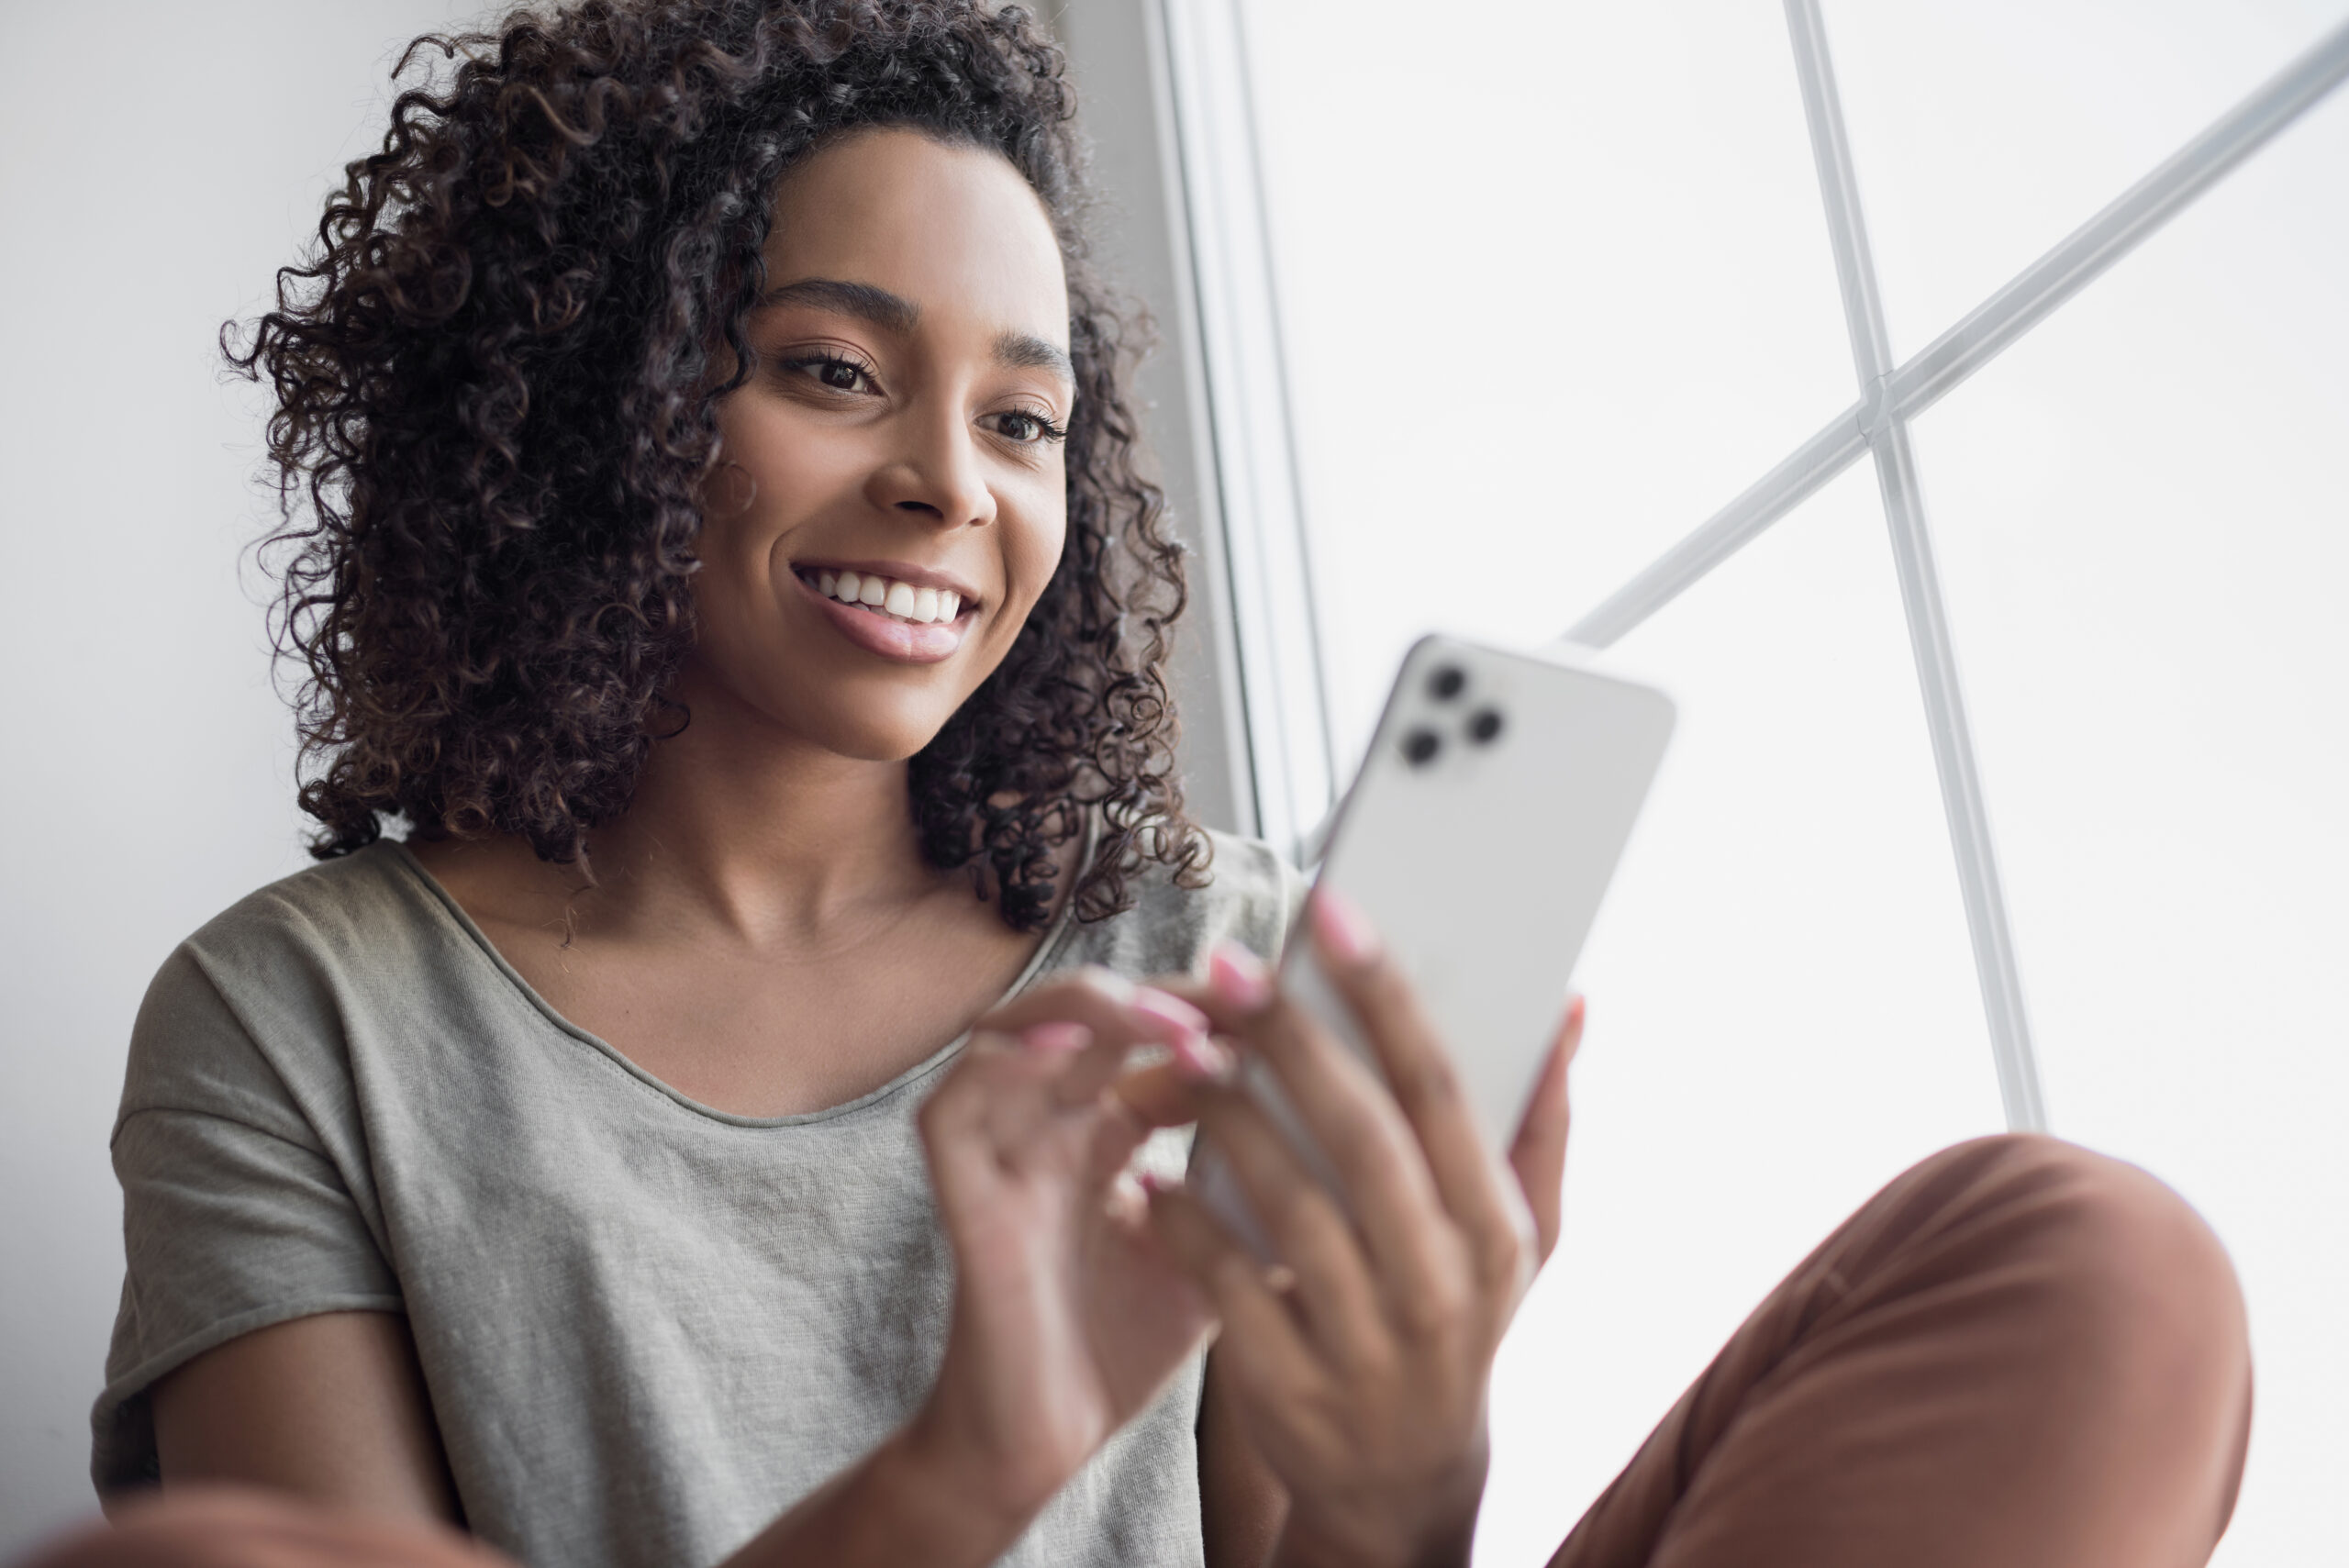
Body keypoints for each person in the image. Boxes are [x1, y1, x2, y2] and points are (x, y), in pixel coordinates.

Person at [66, 4, 2251, 1567]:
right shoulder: (304, 1025)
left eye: (1022, 422)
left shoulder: (1199, 951)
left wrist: (1404, 1471)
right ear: (583, 408)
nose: (946, 484)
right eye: (836, 374)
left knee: (2078, 1257)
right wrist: (973, 1462)